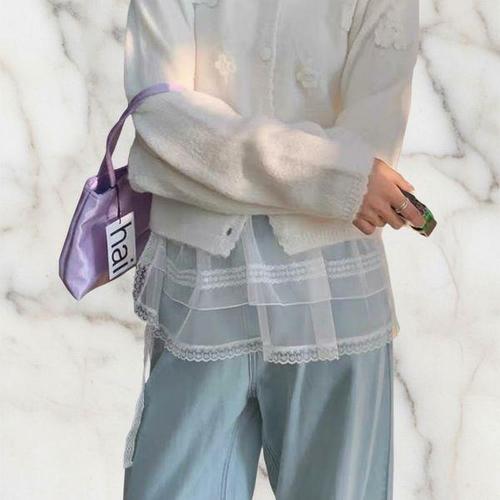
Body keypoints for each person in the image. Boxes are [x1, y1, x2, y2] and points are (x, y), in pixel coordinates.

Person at [121, 0, 423, 498]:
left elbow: (373, 149)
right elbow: (161, 122)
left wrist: (204, 168)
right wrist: (337, 179)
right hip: (203, 292)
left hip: (333, 297)